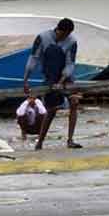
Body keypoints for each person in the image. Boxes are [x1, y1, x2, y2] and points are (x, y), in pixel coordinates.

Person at [23, 18, 81, 150]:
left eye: (68, 35)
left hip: (67, 77)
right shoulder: (43, 38)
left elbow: (70, 63)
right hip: (50, 76)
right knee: (51, 110)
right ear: (58, 29)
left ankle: (70, 140)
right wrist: (25, 80)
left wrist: (61, 81)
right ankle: (40, 142)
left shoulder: (72, 41)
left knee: (74, 103)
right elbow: (33, 58)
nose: (65, 37)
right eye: (64, 34)